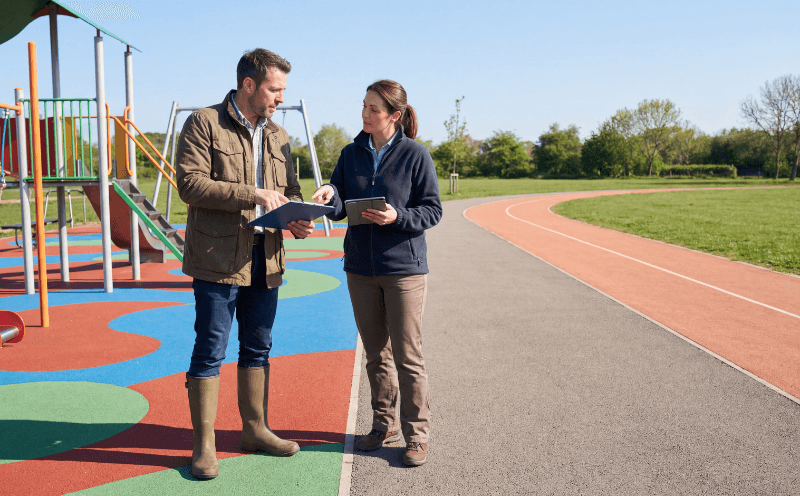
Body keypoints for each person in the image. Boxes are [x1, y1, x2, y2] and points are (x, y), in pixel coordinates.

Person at [176, 48, 314, 480]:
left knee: (259, 346)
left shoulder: (279, 135)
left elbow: (288, 190)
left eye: (283, 90)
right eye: (275, 89)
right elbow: (190, 184)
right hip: (217, 258)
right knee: (210, 350)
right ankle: (204, 446)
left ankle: (254, 430)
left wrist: (298, 218)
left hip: (267, 255)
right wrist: (252, 194)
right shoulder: (204, 121)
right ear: (249, 85)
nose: (280, 98)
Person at [312, 79, 442, 466]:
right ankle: (383, 425)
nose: (365, 114)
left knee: (408, 355)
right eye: (364, 106)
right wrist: (327, 194)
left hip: (403, 270)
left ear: (394, 115)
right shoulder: (351, 153)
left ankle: (416, 435)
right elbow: (338, 201)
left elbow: (432, 209)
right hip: (360, 269)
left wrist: (397, 216)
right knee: (375, 355)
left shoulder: (416, 155)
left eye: (373, 109)